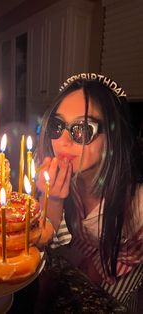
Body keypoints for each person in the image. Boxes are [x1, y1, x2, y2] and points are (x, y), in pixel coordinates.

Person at [35, 73, 143, 313]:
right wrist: (52, 198)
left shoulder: (138, 203)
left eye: (82, 129)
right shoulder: (55, 174)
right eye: (57, 125)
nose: (62, 141)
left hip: (119, 275)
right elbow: (46, 239)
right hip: (76, 257)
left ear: (112, 138)